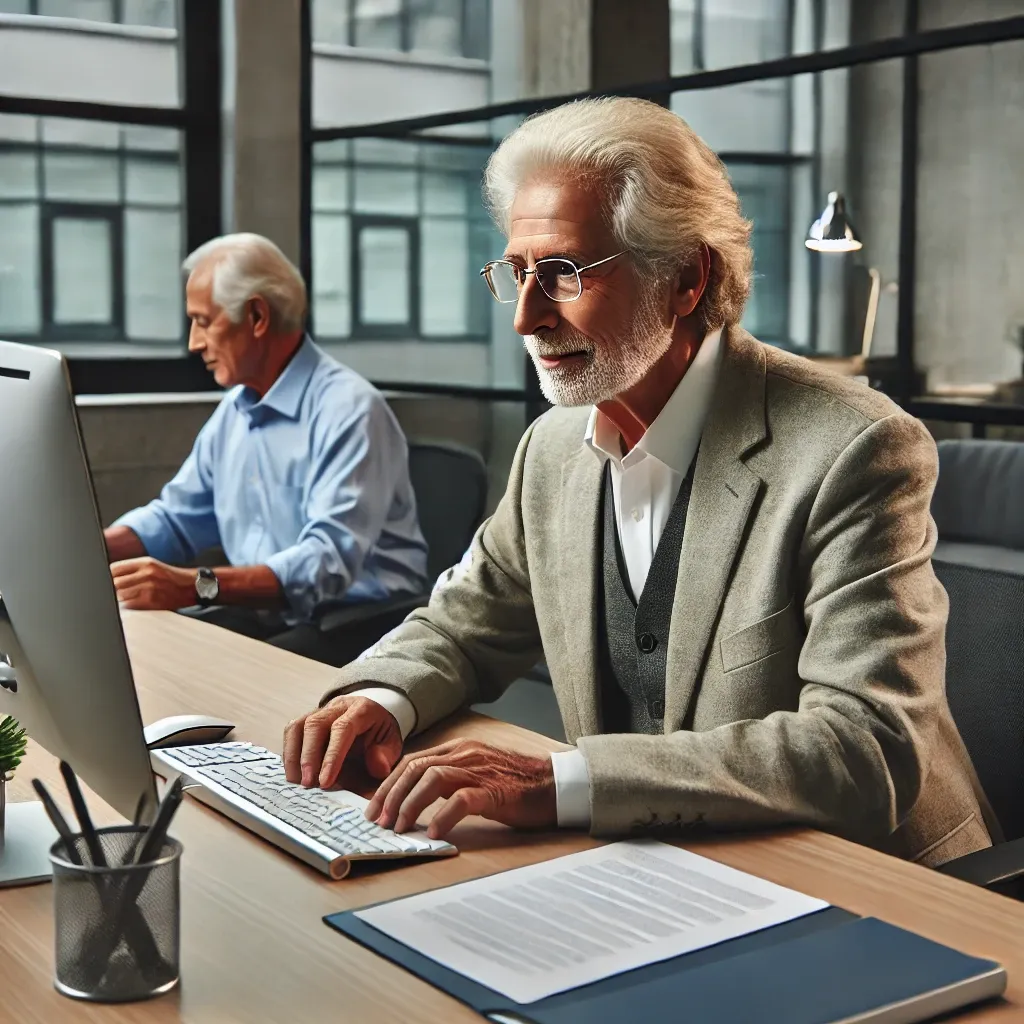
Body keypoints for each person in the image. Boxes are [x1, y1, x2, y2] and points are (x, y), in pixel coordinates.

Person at [282, 98, 997, 865]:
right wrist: (379, 698)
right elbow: (462, 624)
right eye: (517, 272)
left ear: (686, 278)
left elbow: (864, 746)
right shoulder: (553, 448)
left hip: (876, 886)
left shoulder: (856, 448)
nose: (525, 317)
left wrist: (561, 781)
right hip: (664, 871)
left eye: (560, 274)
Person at [105, 233, 428, 649]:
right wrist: (89, 545)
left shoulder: (350, 409)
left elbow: (323, 564)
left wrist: (195, 586)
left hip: (357, 627)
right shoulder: (235, 409)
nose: (194, 343)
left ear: (257, 317)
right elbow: (176, 519)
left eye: (203, 321)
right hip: (270, 613)